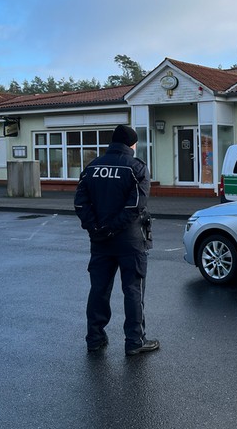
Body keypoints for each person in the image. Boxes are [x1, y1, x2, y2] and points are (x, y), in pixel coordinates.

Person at [74, 125, 159, 356]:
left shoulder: (92, 167)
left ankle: (94, 338)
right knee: (132, 290)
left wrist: (96, 228)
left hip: (100, 241)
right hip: (129, 242)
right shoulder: (136, 168)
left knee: (98, 290)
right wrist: (112, 229)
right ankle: (134, 341)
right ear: (132, 144)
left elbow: (80, 203)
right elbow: (135, 206)